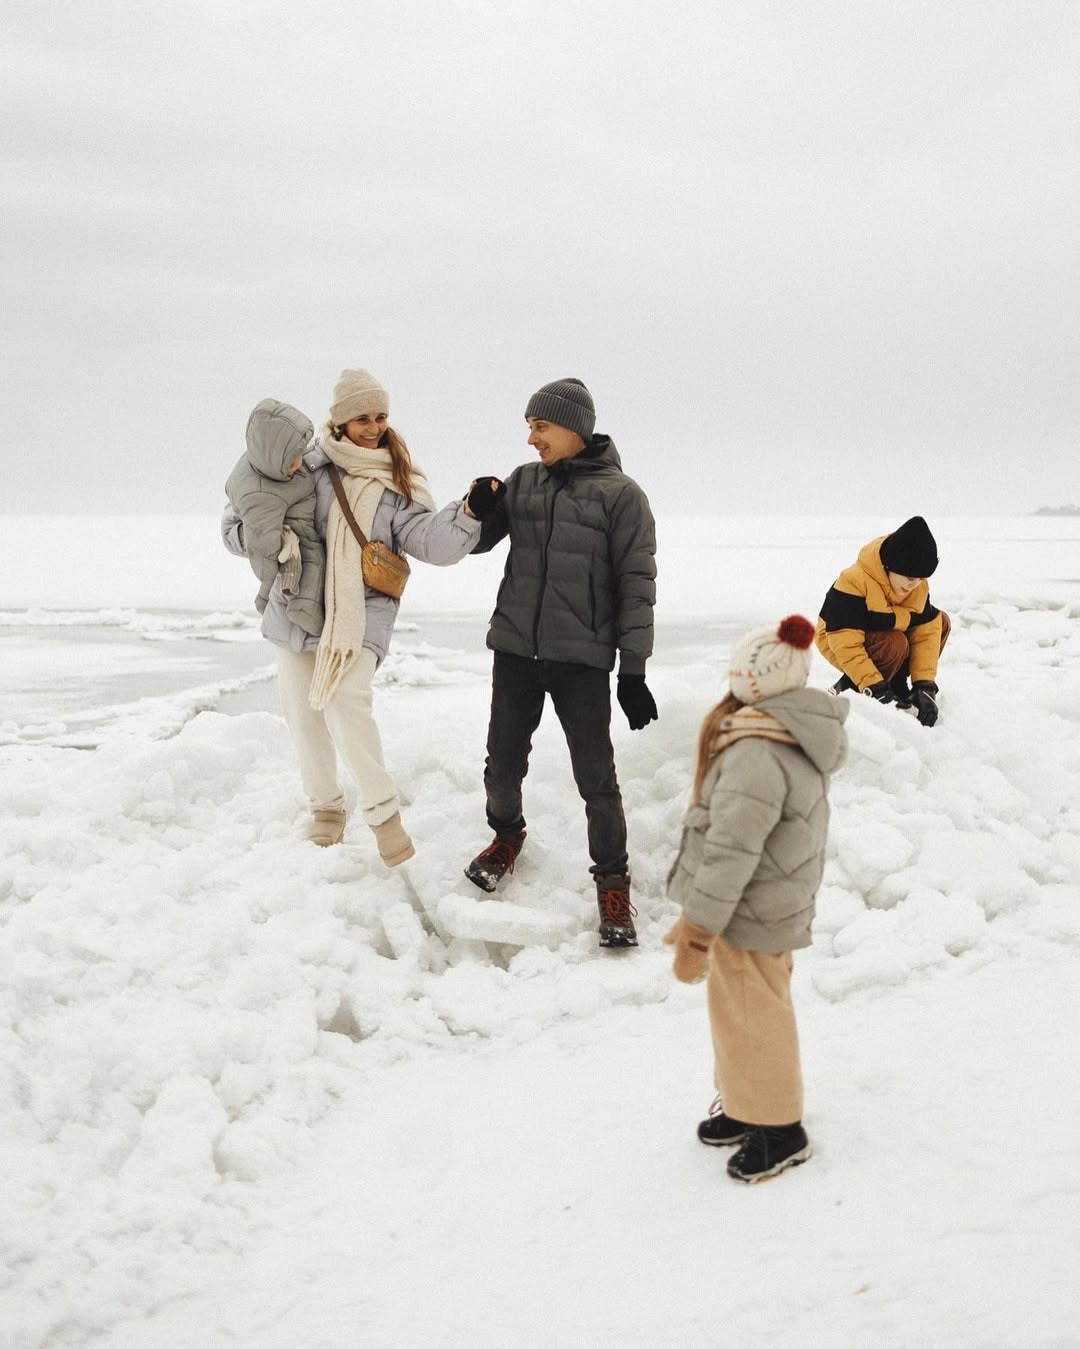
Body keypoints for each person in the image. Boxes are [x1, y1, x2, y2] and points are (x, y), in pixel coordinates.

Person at [221, 368, 483, 865]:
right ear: (339, 420)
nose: (372, 427)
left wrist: (469, 512)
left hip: (361, 613)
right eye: (361, 417)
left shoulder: (395, 478)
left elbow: (429, 541)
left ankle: (384, 816)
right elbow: (236, 526)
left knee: (345, 698)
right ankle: (325, 809)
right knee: (303, 715)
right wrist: (271, 544)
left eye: (380, 416)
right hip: (297, 609)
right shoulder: (303, 465)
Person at [463, 377, 658, 949]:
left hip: (582, 660)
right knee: (502, 763)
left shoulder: (623, 497)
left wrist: (634, 669)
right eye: (528, 426)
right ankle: (506, 837)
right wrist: (478, 505)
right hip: (517, 650)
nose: (530, 439)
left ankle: (613, 885)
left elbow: (637, 585)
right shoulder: (524, 484)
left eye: (540, 426)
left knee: (597, 780)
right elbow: (478, 543)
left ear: (575, 427)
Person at [664, 615, 848, 1183]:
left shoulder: (758, 752)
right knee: (741, 1012)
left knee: (753, 1016)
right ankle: (748, 1106)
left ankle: (780, 1129)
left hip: (750, 907)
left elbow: (732, 851)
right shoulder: (779, 731)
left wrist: (697, 930)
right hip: (764, 899)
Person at [815, 515, 949, 727]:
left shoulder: (917, 585)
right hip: (835, 636)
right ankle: (853, 686)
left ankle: (896, 683)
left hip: (885, 630)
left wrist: (924, 686)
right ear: (891, 566)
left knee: (940, 621)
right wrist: (874, 686)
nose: (914, 585)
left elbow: (926, 632)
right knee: (894, 643)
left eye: (921, 578)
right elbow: (845, 642)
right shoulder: (854, 581)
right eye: (910, 577)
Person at [225, 399, 325, 638]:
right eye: (291, 461)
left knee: (307, 556)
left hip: (296, 504)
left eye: (299, 455)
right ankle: (303, 608)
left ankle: (302, 604)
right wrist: (264, 593)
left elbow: (310, 455)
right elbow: (262, 547)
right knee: (310, 554)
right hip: (288, 525)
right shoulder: (258, 494)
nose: (298, 464)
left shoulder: (270, 459)